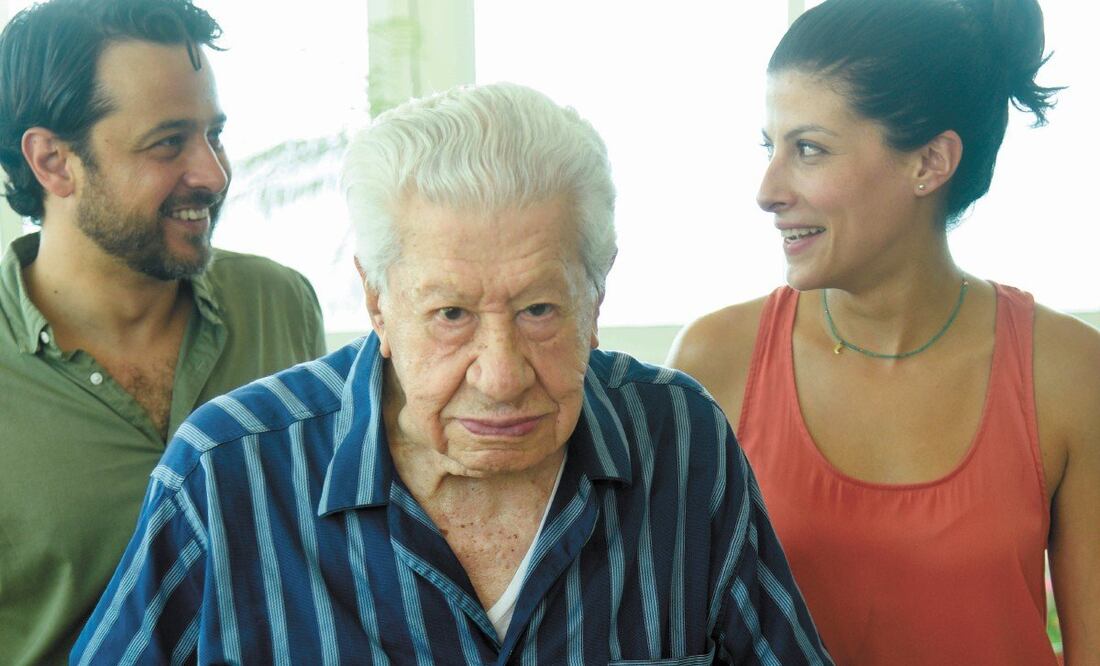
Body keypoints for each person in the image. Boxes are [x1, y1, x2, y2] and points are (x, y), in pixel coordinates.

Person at [72, 82, 832, 664]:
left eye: (539, 310)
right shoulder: (226, 474)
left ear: (596, 295)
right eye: (451, 317)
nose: (501, 377)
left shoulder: (681, 441)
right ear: (377, 301)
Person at [668, 0, 1100, 663]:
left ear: (929, 162)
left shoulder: (1069, 373)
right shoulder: (713, 361)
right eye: (770, 146)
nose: (768, 189)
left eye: (808, 149)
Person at [0, 1, 326, 662]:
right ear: (53, 162)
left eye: (214, 133)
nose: (212, 174)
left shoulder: (280, 304)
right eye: (168, 142)